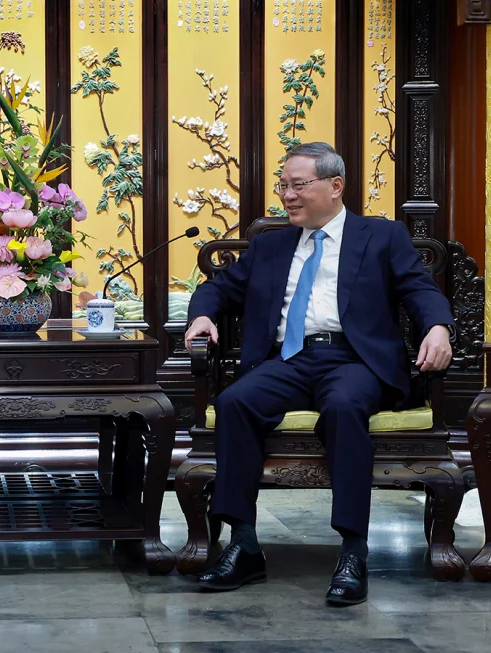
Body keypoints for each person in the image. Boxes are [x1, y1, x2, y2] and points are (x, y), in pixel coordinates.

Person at [183, 142, 454, 605]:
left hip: (353, 360)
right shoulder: (271, 245)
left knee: (345, 407)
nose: (287, 195)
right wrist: (203, 315)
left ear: (335, 186)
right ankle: (244, 544)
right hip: (287, 361)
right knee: (234, 403)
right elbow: (219, 288)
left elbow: (418, 288)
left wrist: (438, 327)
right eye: (283, 185)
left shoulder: (381, 236)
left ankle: (353, 551)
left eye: (298, 185)